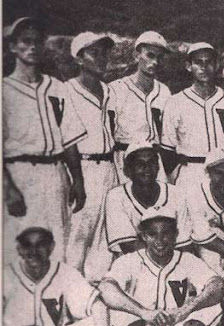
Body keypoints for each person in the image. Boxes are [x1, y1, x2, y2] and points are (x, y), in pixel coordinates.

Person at [99, 209, 224, 326]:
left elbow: (217, 286)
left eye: (166, 233)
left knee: (212, 306)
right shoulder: (129, 260)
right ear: (143, 236)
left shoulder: (187, 259)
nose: (159, 241)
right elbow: (105, 288)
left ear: (175, 235)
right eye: (152, 234)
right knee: (113, 307)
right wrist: (143, 313)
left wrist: (184, 310)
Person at [3, 17, 87, 264]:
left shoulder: (57, 88)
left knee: (58, 242)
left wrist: (78, 180)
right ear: (12, 47)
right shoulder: (4, 90)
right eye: (25, 41)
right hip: (19, 173)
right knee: (19, 245)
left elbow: (70, 138)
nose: (32, 47)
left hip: (55, 171)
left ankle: (54, 298)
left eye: (37, 41)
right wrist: (8, 190)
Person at [3, 227, 110, 326]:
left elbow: (98, 306)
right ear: (19, 249)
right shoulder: (7, 275)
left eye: (40, 245)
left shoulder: (64, 272)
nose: (33, 251)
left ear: (51, 247)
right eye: (27, 245)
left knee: (100, 324)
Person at [66, 32, 118, 283]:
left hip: (109, 166)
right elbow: (68, 140)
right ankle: (70, 297)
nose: (101, 58)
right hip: (83, 166)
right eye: (94, 53)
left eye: (104, 52)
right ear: (79, 59)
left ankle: (94, 297)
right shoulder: (68, 90)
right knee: (78, 235)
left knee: (104, 237)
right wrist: (77, 180)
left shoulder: (108, 91)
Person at [160, 43, 224, 187]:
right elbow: (167, 150)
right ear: (189, 66)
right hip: (191, 171)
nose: (204, 67)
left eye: (209, 62)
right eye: (198, 62)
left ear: (216, 66)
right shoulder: (175, 101)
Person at [105, 142, 190, 255]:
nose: (147, 168)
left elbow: (183, 243)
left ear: (158, 167)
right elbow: (128, 245)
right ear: (128, 170)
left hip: (172, 262)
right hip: (134, 262)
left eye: (152, 163)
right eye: (140, 164)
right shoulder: (116, 196)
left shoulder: (176, 193)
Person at [108, 31, 171, 183]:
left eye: (160, 57)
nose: (155, 62)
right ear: (137, 56)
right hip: (124, 160)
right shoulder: (116, 88)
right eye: (150, 55)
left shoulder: (164, 91)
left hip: (154, 160)